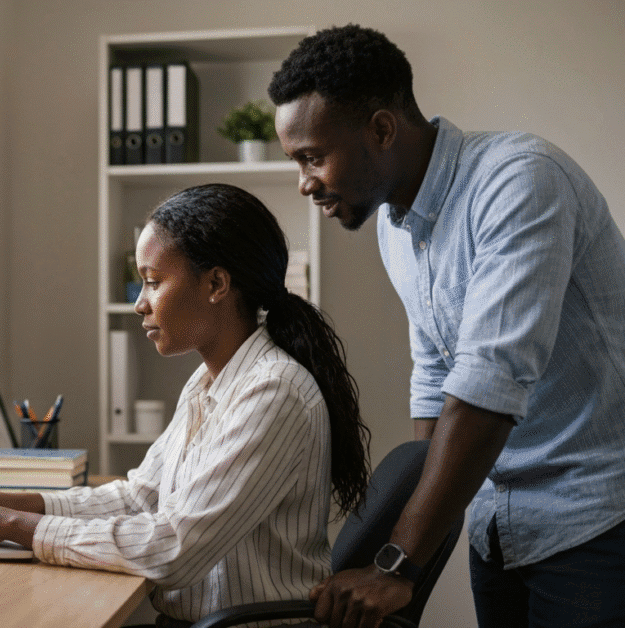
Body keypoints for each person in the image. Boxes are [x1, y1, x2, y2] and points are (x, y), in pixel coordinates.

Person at [268, 24, 625, 628]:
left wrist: (396, 562)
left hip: (593, 522)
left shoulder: (519, 181)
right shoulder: (394, 221)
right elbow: (436, 371)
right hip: (499, 528)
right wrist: (421, 542)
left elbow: (490, 380)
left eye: (313, 156)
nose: (305, 182)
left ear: (382, 130)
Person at [0, 183, 370, 627]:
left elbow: (174, 547)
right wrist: (12, 503)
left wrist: (12, 525)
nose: (139, 304)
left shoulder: (273, 392)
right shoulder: (209, 382)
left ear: (216, 283)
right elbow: (140, 497)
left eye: (153, 282)